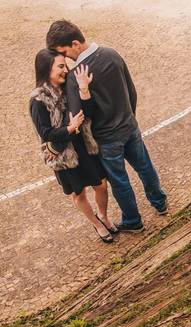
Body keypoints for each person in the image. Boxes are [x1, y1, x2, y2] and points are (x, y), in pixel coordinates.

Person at [46, 20, 167, 233]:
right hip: (129, 126)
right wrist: (130, 117)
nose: (66, 58)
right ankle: (160, 202)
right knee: (145, 166)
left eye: (64, 52)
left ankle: (132, 221)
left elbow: (79, 116)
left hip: (106, 138)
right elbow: (131, 90)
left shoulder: (76, 76)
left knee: (120, 181)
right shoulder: (112, 53)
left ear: (75, 43)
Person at [30, 50, 117, 243]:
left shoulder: (70, 85)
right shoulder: (38, 100)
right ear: (46, 69)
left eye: (65, 65)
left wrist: (84, 90)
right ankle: (96, 224)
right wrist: (70, 128)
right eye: (60, 66)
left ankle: (103, 216)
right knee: (79, 193)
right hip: (65, 153)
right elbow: (45, 134)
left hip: (84, 145)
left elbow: (89, 113)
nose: (65, 70)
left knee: (101, 185)